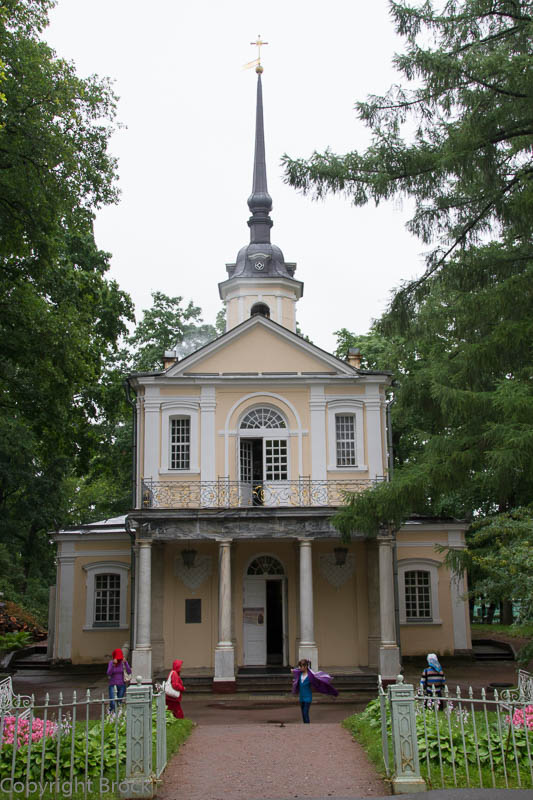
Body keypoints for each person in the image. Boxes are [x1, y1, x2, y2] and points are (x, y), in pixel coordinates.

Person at [291, 658, 338, 723]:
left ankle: (308, 728)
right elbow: (295, 671)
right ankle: (305, 727)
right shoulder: (299, 674)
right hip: (301, 697)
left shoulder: (311, 676)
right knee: (303, 714)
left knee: (305, 713)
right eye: (300, 666)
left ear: (306, 666)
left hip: (308, 697)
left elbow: (318, 681)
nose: (300, 668)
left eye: (301, 666)